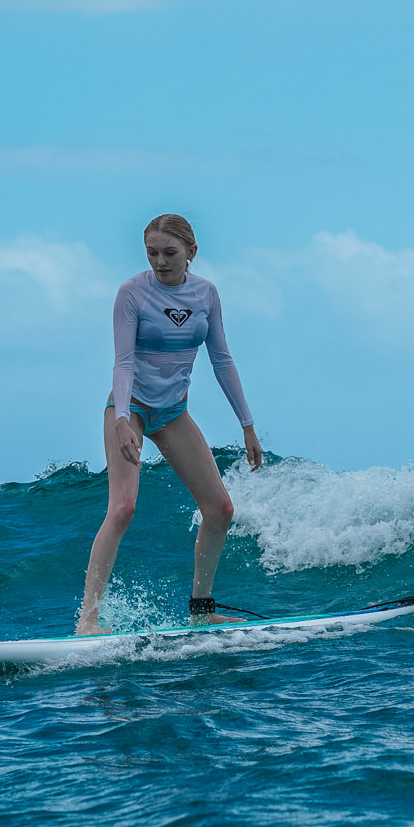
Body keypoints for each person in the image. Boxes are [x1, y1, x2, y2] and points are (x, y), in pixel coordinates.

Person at [76, 213, 265, 635]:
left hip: (173, 413)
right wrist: (122, 418)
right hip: (131, 409)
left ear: (191, 253)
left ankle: (201, 608)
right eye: (152, 253)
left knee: (220, 509)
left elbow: (222, 360)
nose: (160, 262)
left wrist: (247, 425)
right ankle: (87, 620)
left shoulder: (207, 295)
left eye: (170, 253)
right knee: (123, 508)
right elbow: (123, 362)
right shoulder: (132, 294)